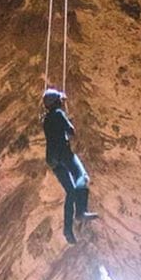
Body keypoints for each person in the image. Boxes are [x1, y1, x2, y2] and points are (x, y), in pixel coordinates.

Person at [41, 87, 98, 244]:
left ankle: (67, 230)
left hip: (51, 157)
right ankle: (80, 211)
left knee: (70, 191)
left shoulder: (45, 119)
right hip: (63, 152)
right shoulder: (59, 114)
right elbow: (71, 131)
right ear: (57, 102)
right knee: (82, 176)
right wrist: (67, 117)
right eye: (59, 100)